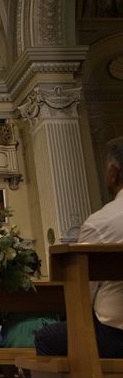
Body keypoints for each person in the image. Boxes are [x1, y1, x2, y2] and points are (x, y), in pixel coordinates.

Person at [36, 137, 123, 358]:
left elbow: (84, 292)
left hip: (116, 334)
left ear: (113, 172)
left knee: (47, 337)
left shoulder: (101, 222)